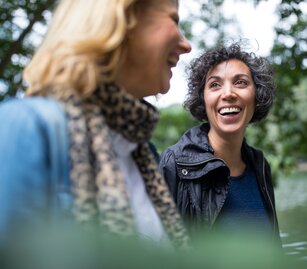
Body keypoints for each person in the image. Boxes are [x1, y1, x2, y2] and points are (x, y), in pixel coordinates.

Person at [0, 0, 192, 248]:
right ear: (123, 19)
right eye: (174, 20)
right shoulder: (26, 128)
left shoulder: (143, 155)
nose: (186, 45)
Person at [159, 42, 281, 244]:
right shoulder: (174, 164)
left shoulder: (260, 165)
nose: (228, 94)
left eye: (240, 82)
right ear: (203, 100)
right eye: (215, 84)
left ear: (256, 96)